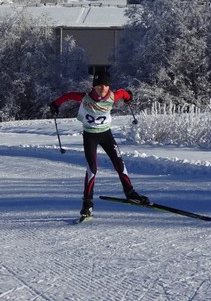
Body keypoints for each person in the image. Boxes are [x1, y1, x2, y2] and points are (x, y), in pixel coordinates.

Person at [49, 71, 149, 219]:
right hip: (90, 136)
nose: (103, 88)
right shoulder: (86, 98)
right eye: (99, 85)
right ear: (94, 86)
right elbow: (69, 95)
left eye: (106, 85)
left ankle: (130, 193)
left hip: (106, 134)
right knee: (92, 169)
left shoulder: (113, 96)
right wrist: (55, 104)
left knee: (119, 164)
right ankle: (87, 204)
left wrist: (129, 96)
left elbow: (123, 93)